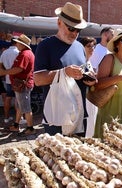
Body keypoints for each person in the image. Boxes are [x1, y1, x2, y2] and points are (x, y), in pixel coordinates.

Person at [33, 2, 96, 136]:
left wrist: (88, 78)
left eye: (78, 30)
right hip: (57, 117)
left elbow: (82, 72)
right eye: (71, 28)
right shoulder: (46, 45)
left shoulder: (79, 47)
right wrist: (64, 72)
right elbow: (38, 80)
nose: (75, 33)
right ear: (59, 22)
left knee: (79, 154)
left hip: (79, 114)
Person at [0, 34, 35, 135]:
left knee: (26, 108)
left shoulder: (24, 54)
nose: (17, 44)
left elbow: (18, 69)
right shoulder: (26, 53)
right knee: (20, 106)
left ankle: (30, 128)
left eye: (18, 43)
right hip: (22, 84)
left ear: (22, 44)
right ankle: (16, 125)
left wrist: (4, 72)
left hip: (22, 85)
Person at [79, 36, 98, 138]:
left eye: (93, 46)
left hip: (90, 97)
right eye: (89, 46)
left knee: (91, 121)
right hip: (82, 98)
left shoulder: (88, 62)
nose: (92, 49)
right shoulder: (79, 61)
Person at [0, 37, 19, 123]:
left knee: (8, 98)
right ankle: (19, 118)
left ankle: (6, 117)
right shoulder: (18, 52)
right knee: (17, 98)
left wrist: (4, 73)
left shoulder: (4, 52)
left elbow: (1, 65)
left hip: (8, 78)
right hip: (17, 79)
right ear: (17, 43)